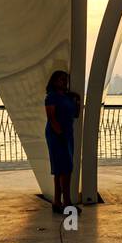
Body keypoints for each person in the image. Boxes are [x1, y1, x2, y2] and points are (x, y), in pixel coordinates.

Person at [44, 70, 80, 213]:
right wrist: (60, 134)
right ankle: (67, 203)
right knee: (64, 169)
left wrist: (77, 101)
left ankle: (57, 202)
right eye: (61, 79)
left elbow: (76, 115)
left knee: (61, 169)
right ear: (54, 81)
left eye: (65, 80)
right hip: (56, 135)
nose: (64, 82)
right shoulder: (51, 97)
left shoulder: (67, 97)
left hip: (68, 134)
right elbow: (51, 118)